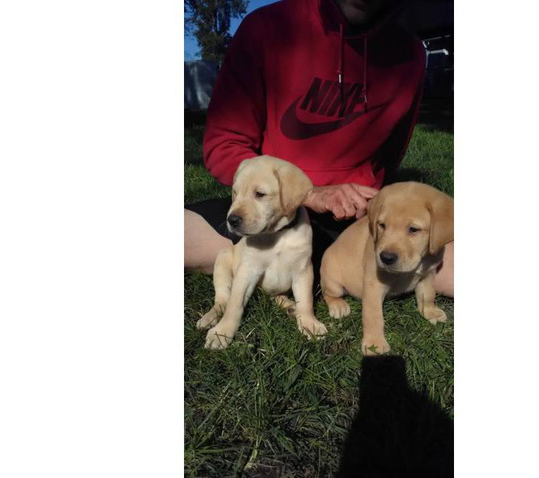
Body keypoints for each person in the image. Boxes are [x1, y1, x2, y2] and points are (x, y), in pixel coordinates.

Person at [184, 0, 454, 297]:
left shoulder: (410, 55)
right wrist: (308, 194)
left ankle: (311, 265)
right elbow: (225, 144)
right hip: (275, 211)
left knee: (447, 256)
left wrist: (371, 200)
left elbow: (391, 153)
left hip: (357, 219)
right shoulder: (266, 27)